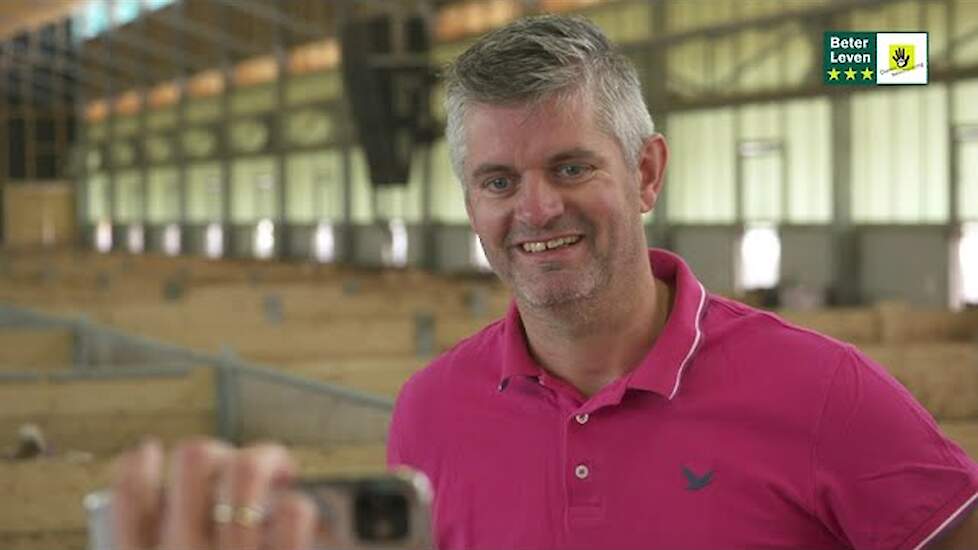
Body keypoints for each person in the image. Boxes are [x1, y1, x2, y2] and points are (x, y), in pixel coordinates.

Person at [111, 14, 978, 550]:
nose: (535, 208)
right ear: (470, 201)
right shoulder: (429, 410)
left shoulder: (826, 391)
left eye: (570, 167)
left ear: (646, 174)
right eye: (498, 181)